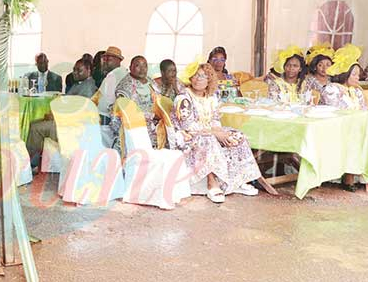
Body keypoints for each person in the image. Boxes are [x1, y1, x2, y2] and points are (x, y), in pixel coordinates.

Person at [170, 60, 261, 203]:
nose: (198, 79)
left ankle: (236, 181)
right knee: (209, 140)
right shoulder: (183, 98)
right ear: (190, 78)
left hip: (208, 131)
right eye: (195, 75)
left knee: (237, 136)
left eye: (203, 76)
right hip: (187, 136)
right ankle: (212, 182)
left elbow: (215, 119)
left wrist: (219, 132)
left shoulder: (211, 97)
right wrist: (215, 134)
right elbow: (188, 126)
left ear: (209, 80)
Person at [320, 44, 368, 190]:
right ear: (345, 74)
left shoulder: (356, 91)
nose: (358, 77)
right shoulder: (332, 89)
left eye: (358, 74)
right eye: (354, 74)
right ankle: (349, 177)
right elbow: (336, 113)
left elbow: (365, 110)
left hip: (359, 127)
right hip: (339, 128)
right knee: (358, 139)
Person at [26, 58, 96, 169]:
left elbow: (77, 111)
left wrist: (55, 116)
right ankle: (34, 161)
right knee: (33, 123)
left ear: (89, 70)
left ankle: (31, 165)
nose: (75, 73)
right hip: (65, 121)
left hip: (71, 126)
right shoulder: (79, 84)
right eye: (74, 69)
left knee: (36, 128)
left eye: (79, 70)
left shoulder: (88, 88)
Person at [110, 56, 161, 150]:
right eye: (138, 65)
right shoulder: (125, 87)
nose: (142, 69)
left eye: (144, 66)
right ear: (130, 67)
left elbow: (159, 100)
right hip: (133, 131)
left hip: (152, 130)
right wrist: (153, 115)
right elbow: (127, 114)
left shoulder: (150, 81)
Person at [96, 46, 127, 125]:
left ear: (118, 60)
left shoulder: (113, 75)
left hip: (107, 118)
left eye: (109, 60)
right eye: (105, 59)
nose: (105, 62)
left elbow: (107, 100)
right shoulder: (122, 72)